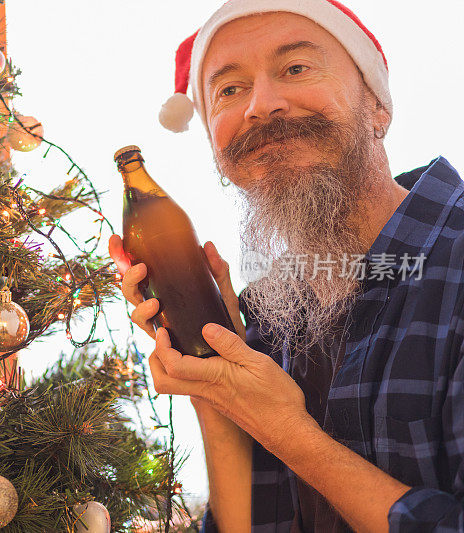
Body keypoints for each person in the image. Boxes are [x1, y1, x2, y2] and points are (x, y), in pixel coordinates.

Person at [108, 0, 464, 531]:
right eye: (229, 90)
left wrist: (289, 434)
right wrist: (213, 386)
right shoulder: (267, 319)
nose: (261, 105)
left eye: (295, 68)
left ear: (377, 107)